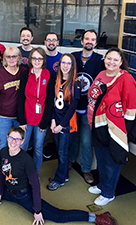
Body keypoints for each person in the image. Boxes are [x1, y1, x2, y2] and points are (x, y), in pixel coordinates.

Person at [0, 126, 119, 225]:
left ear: (23, 142)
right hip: (9, 191)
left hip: (25, 196)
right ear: (7, 138)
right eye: (11, 138)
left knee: (59, 216)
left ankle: (97, 217)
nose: (13, 141)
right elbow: (2, 176)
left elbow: (36, 187)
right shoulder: (3, 151)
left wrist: (37, 210)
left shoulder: (26, 160)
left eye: (17, 139)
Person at [87, 47, 136, 206]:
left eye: (115, 60)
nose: (111, 62)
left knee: (111, 162)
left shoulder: (126, 79)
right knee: (101, 159)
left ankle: (108, 193)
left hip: (114, 129)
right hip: (98, 125)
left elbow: (131, 106)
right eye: (109, 58)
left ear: (121, 62)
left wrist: (125, 131)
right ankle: (102, 185)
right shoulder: (101, 74)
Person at [68, 29, 105, 184]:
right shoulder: (73, 57)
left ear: (95, 43)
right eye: (86, 39)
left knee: (85, 140)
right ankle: (70, 160)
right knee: (72, 137)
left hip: (89, 109)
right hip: (72, 107)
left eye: (92, 39)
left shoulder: (100, 61)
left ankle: (86, 169)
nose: (89, 42)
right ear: (82, 41)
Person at [0, 46, 26, 174]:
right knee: (3, 144)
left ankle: (16, 170)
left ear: (19, 58)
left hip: (20, 117)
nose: (11, 59)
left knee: (20, 145)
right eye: (9, 56)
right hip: (3, 116)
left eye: (14, 56)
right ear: (4, 59)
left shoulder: (24, 72)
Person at [18, 47, 55, 173]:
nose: (37, 61)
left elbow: (50, 101)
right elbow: (21, 98)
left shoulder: (48, 75)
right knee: (22, 146)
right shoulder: (25, 74)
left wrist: (45, 122)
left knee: (38, 148)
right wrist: (21, 120)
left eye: (40, 58)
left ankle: (34, 173)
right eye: (34, 58)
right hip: (26, 118)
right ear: (30, 60)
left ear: (43, 60)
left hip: (41, 120)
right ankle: (21, 173)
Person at [47, 54, 80, 191]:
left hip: (66, 124)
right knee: (60, 150)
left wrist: (61, 125)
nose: (66, 66)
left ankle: (59, 179)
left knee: (62, 153)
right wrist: (53, 121)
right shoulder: (57, 81)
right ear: (59, 64)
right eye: (63, 63)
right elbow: (54, 104)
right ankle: (64, 175)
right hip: (57, 121)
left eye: (69, 63)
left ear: (72, 66)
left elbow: (72, 108)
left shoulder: (75, 84)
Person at [42, 32, 63, 159]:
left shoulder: (62, 58)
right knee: (43, 121)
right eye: (48, 40)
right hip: (42, 96)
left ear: (57, 42)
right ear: (45, 42)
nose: (51, 42)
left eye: (53, 40)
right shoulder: (41, 57)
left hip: (58, 96)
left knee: (55, 121)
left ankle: (56, 147)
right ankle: (42, 146)